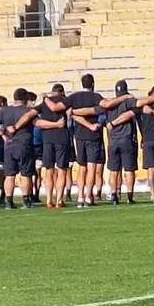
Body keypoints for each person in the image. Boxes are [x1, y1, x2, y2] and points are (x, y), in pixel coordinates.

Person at [63, 74, 105, 208]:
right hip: (93, 136)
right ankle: (88, 196)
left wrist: (76, 113)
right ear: (93, 84)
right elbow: (103, 110)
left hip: (79, 136)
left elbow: (69, 112)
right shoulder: (97, 97)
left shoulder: (74, 97)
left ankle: (80, 196)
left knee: (82, 167)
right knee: (92, 167)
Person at [2, 89, 40, 208]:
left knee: (9, 175)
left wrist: (2, 134)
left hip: (9, 145)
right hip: (24, 144)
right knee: (25, 174)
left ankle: (8, 202)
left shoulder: (5, 110)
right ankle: (26, 200)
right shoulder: (28, 111)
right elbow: (38, 123)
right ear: (25, 98)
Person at [37, 84, 71, 208]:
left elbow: (33, 113)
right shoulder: (65, 101)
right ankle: (59, 200)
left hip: (47, 139)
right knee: (61, 170)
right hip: (61, 139)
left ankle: (49, 200)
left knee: (49, 171)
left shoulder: (44, 104)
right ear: (62, 92)